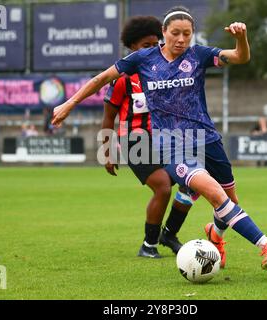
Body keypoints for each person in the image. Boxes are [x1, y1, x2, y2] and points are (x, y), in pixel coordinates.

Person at [52, 7, 267, 271]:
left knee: (230, 202)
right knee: (213, 194)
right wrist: (68, 105)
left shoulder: (199, 55)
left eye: (187, 34)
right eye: (175, 33)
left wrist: (241, 37)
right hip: (172, 145)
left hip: (207, 139)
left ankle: (215, 237)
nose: (181, 39)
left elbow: (240, 57)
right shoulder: (142, 59)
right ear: (164, 33)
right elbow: (101, 78)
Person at [102, 15, 194, 258]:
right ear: (132, 47)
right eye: (146, 46)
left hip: (165, 138)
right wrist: (108, 152)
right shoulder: (123, 79)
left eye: (156, 45)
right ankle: (149, 245)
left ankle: (169, 234)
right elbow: (108, 118)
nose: (153, 50)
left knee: (192, 181)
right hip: (135, 141)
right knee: (163, 188)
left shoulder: (165, 73)